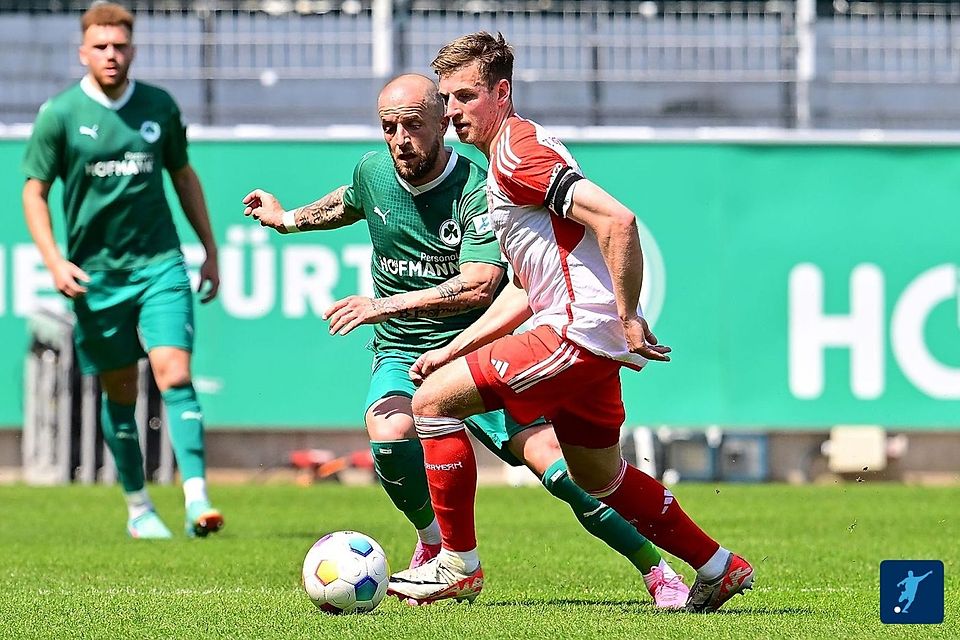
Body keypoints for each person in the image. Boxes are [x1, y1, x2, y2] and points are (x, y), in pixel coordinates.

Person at [242, 73, 688, 608]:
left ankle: (655, 568)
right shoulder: (374, 170)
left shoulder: (477, 188)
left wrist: (379, 305)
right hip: (401, 350)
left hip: (475, 349)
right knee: (389, 430)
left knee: (559, 468)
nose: (400, 139)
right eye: (389, 128)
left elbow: (482, 285)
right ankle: (436, 548)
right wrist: (285, 219)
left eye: (412, 126)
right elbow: (348, 200)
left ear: (441, 125)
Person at [387, 32, 754, 613]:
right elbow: (522, 289)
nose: (453, 112)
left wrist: (629, 316)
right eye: (448, 99)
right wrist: (455, 348)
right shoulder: (511, 155)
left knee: (431, 404)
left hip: (573, 335)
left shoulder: (516, 155)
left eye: (465, 97)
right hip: (585, 339)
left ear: (501, 92)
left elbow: (618, 221)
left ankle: (457, 563)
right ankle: (717, 565)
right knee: (598, 477)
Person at [21, 3, 223, 540]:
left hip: (160, 265)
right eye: (102, 46)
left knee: (174, 374)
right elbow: (34, 192)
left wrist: (210, 247)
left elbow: (183, 176)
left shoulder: (158, 105)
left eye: (121, 45)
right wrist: (53, 260)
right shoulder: (60, 114)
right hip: (96, 277)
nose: (112, 55)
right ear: (83, 51)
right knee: (120, 391)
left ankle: (197, 497)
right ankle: (138, 506)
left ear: (133, 48)